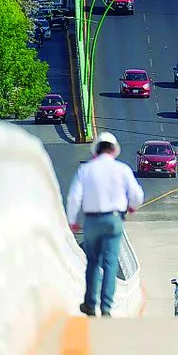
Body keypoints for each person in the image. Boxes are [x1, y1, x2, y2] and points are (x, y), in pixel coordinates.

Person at [66, 132, 144, 316]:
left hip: (92, 220)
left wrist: (72, 220)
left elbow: (74, 198)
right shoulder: (122, 169)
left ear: (96, 152)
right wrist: (131, 207)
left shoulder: (85, 170)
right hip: (114, 219)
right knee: (110, 263)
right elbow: (137, 196)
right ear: (113, 150)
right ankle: (106, 307)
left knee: (93, 262)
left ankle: (90, 304)